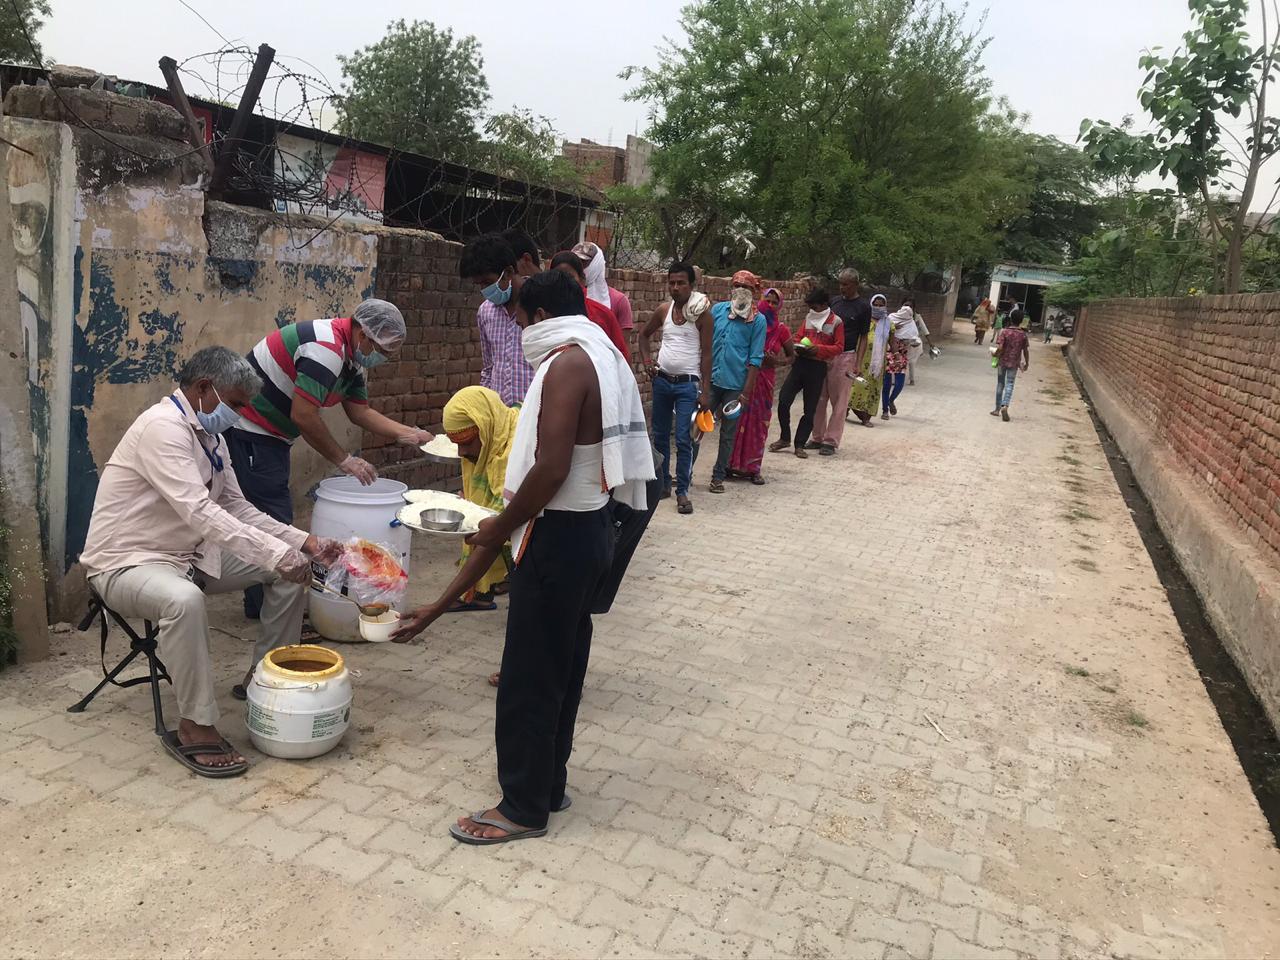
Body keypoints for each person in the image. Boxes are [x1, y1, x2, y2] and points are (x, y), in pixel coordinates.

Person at [391, 269, 654, 845]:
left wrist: (497, 527)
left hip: (558, 536)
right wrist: (437, 607)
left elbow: (552, 468)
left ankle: (522, 807)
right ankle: (548, 785)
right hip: (588, 532)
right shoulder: (600, 354)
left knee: (530, 678)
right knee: (562, 665)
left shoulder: (566, 364)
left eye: (515, 319)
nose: (514, 330)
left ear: (537, 316)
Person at [79, 347, 341, 777]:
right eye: (235, 404)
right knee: (184, 600)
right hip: (126, 563)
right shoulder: (163, 429)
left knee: (291, 569)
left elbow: (238, 508)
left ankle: (265, 680)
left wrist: (305, 543)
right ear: (204, 388)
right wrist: (276, 552)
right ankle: (195, 724)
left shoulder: (210, 435)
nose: (239, 414)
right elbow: (201, 513)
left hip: (188, 556)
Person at [227, 299, 432, 623]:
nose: (382, 358)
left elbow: (359, 411)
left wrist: (408, 433)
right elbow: (304, 415)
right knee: (272, 520)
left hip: (272, 436)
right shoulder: (326, 349)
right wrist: (344, 459)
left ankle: (267, 602)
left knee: (270, 516)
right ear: (363, 333)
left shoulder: (351, 357)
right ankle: (269, 608)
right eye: (382, 350)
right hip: (250, 431)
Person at [637, 261, 713, 515]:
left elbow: (707, 355)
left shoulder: (702, 315)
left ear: (692, 285)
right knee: (659, 437)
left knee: (683, 439)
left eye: (681, 282)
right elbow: (643, 336)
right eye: (672, 282)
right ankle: (662, 485)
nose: (676, 287)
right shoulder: (663, 310)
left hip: (687, 385)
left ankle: (682, 491)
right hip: (662, 381)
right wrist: (647, 362)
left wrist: (705, 391)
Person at [442, 386, 518, 615]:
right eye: (456, 443)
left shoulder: (515, 449)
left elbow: (502, 523)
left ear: (485, 427)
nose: (460, 452)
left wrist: (440, 604)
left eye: (466, 442)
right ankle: (482, 593)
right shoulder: (491, 438)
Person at [706, 270, 767, 494]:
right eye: (737, 285)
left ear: (753, 291)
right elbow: (706, 345)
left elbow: (755, 358)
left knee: (728, 433)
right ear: (731, 288)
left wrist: (746, 392)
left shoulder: (758, 321)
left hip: (735, 386)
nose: (741, 289)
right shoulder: (718, 310)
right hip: (712, 381)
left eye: (747, 287)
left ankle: (718, 476)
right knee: (697, 426)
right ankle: (686, 472)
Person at [460, 234, 537, 406]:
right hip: (500, 416)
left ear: (508, 272)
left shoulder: (541, 305)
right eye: (479, 285)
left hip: (534, 414)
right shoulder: (486, 312)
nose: (484, 289)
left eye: (488, 282)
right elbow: (489, 368)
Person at [727, 289, 793, 483]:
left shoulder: (781, 330)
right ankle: (728, 464)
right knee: (736, 419)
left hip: (764, 381)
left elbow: (792, 356)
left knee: (758, 423)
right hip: (743, 378)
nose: (769, 305)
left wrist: (777, 362)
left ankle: (753, 468)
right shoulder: (749, 321)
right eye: (767, 300)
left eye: (774, 303)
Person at [771, 287, 844, 458]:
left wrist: (817, 349)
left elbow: (839, 347)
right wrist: (800, 346)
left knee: (809, 409)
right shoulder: (809, 318)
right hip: (801, 363)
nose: (813, 310)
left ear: (824, 305)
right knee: (783, 400)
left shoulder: (836, 322)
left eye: (816, 307)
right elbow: (797, 337)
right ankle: (785, 437)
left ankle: (799, 444)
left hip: (817, 367)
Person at [810, 267, 872, 453]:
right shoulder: (834, 302)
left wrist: (857, 363)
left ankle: (831, 441)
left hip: (846, 355)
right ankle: (817, 437)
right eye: (840, 283)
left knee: (840, 401)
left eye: (845, 284)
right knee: (819, 398)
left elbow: (863, 337)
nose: (842, 287)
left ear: (855, 284)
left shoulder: (863, 307)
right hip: (826, 353)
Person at [549, 251, 630, 357]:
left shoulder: (604, 314)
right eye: (558, 277)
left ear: (582, 279)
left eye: (569, 277)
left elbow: (620, 355)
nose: (564, 283)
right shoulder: (544, 313)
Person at [848, 293, 889, 425]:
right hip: (862, 360)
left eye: (881, 305)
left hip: (878, 365)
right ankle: (858, 415)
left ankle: (867, 416)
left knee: (872, 390)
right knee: (857, 386)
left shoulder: (888, 324)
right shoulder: (864, 320)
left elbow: (893, 343)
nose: (878, 307)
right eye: (875, 305)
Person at [880, 304, 918, 420]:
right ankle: (885, 410)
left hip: (902, 356)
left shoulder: (911, 323)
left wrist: (913, 342)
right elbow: (881, 333)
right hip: (888, 354)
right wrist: (893, 328)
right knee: (886, 384)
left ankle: (891, 401)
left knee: (899, 384)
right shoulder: (891, 319)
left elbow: (914, 337)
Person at [991, 316, 1029, 421]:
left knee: (1000, 383)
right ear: (1020, 321)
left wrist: (994, 354)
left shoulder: (1004, 332)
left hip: (1002, 362)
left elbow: (1000, 347)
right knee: (1010, 384)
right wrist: (1027, 363)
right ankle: (1005, 405)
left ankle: (997, 409)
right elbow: (1025, 350)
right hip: (1014, 363)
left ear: (1011, 320)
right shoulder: (1023, 335)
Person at [903, 298, 937, 387]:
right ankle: (896, 379)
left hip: (914, 343)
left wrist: (930, 344)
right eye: (906, 305)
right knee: (900, 361)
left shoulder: (917, 317)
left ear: (914, 308)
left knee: (911, 362)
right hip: (902, 342)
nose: (908, 308)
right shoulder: (898, 316)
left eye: (910, 306)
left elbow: (925, 330)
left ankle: (912, 379)